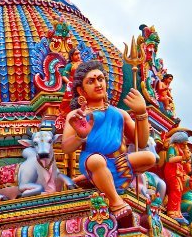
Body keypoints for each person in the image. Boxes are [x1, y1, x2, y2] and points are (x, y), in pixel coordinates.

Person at [62, 61, 157, 218]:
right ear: (81, 90)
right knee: (97, 161)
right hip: (92, 160)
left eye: (100, 79)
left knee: (149, 157)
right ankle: (115, 201)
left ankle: (96, 178)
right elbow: (66, 147)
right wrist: (81, 135)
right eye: (91, 81)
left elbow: (141, 142)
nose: (98, 84)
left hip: (118, 161)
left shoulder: (120, 113)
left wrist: (141, 113)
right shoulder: (77, 115)